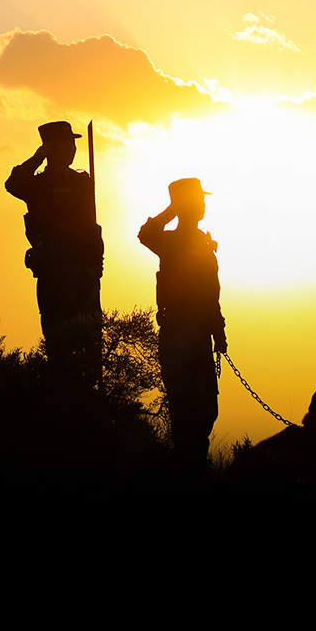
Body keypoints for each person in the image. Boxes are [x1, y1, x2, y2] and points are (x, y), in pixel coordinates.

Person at [138, 178, 227, 467]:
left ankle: (193, 467)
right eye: (198, 200)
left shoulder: (201, 241)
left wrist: (218, 332)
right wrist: (172, 209)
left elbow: (211, 294)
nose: (203, 204)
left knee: (206, 409)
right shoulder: (170, 241)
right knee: (185, 408)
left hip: (200, 337)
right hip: (178, 336)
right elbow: (145, 234)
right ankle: (186, 471)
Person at [5, 121, 104, 377]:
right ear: (53, 147)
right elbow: (12, 183)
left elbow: (91, 226)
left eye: (73, 144)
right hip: (55, 273)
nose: (73, 149)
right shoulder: (37, 185)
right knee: (59, 344)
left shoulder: (82, 182)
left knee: (90, 343)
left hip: (83, 273)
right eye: (68, 143)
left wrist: (96, 265)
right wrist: (38, 156)